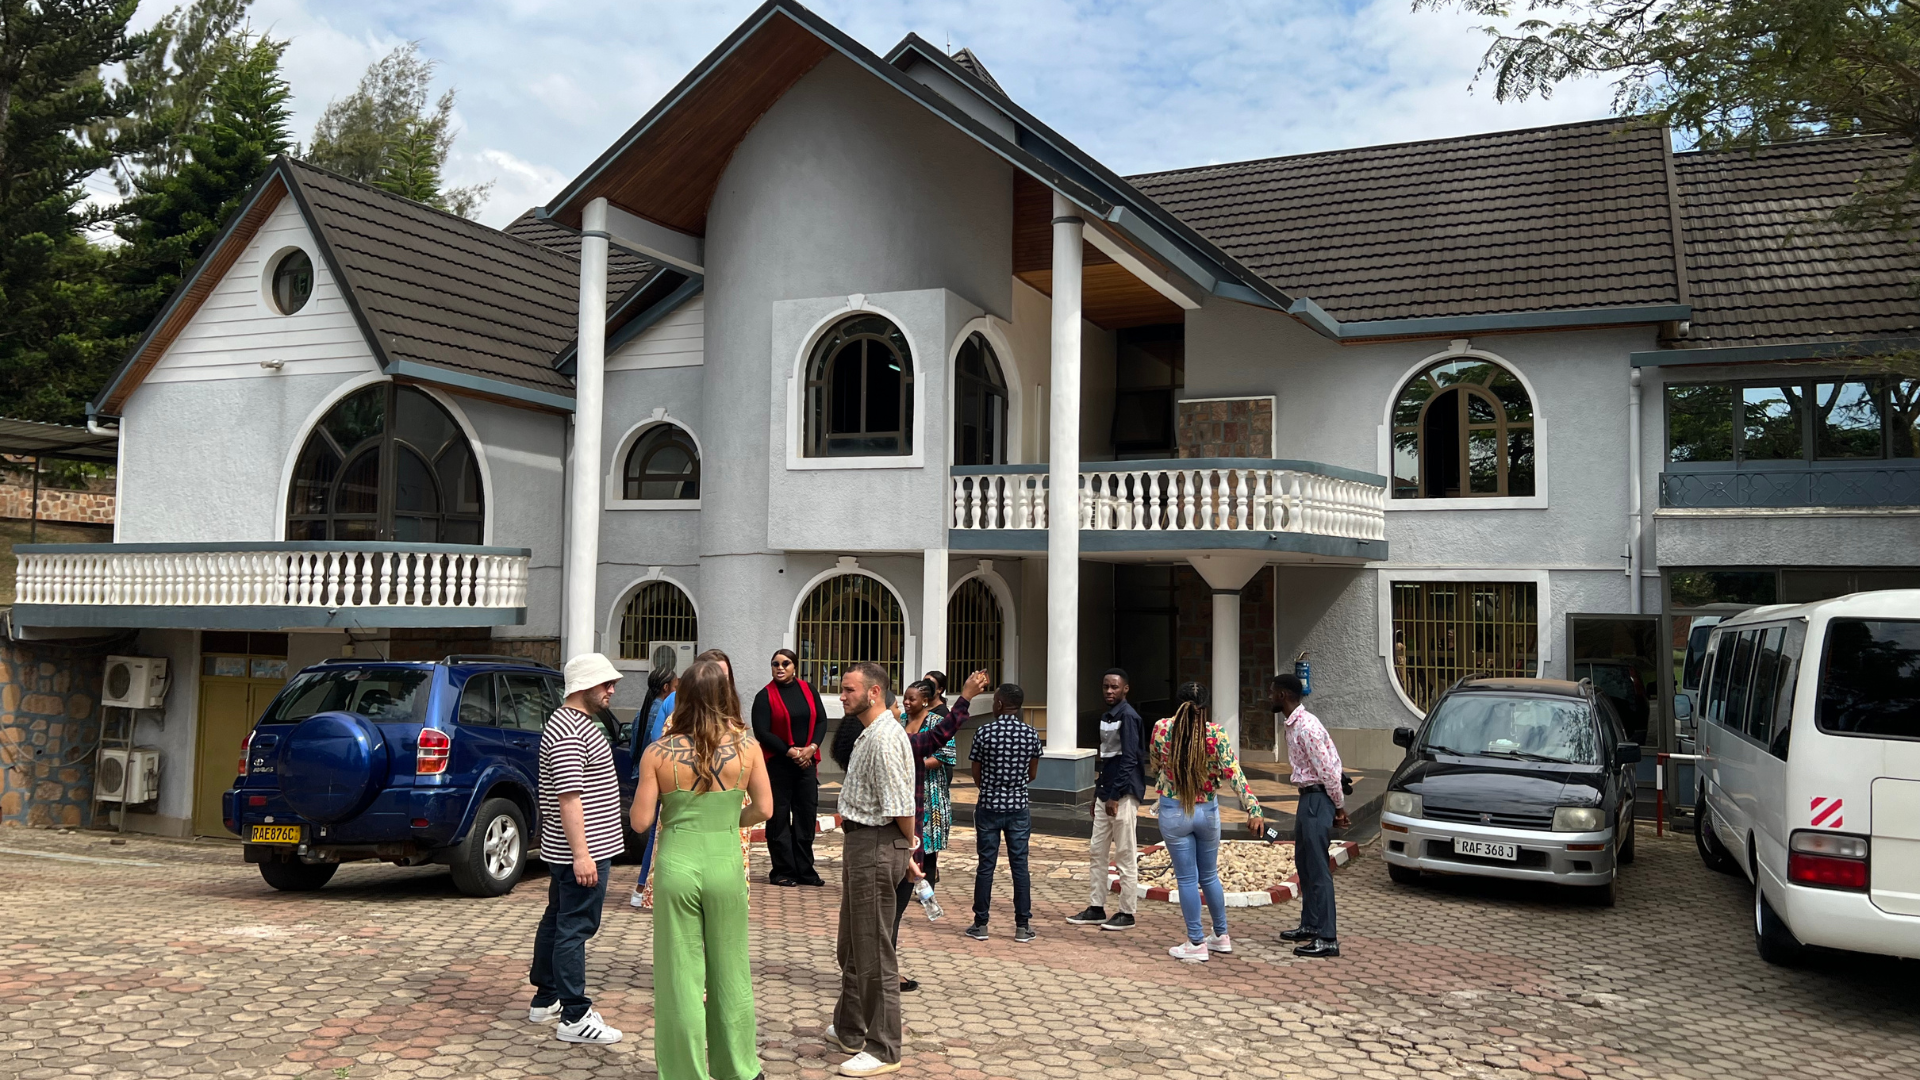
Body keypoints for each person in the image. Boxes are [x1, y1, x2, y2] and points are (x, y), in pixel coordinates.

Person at [629, 659, 773, 1079]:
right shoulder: (747, 748)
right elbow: (764, 808)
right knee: (731, 971)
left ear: (683, 696)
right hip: (725, 861)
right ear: (726, 697)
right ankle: (740, 1070)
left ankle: (685, 1072)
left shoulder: (658, 752)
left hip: (677, 863)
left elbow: (639, 822)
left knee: (680, 979)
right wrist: (731, 822)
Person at [824, 662, 919, 1078]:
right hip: (865, 842)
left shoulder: (883, 738)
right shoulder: (870, 732)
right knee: (852, 943)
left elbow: (901, 806)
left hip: (877, 843)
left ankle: (883, 1047)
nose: (841, 696)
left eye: (848, 690)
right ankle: (849, 1029)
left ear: (874, 692)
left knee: (873, 948)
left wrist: (906, 847)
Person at [528, 653, 628, 1044]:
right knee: (575, 927)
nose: (612, 690)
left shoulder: (573, 723)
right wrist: (583, 854)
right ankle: (574, 1015)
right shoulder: (572, 729)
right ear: (585, 686)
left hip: (570, 849)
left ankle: (546, 998)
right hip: (581, 851)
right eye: (606, 684)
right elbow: (570, 797)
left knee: (558, 919)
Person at [886, 671, 989, 993]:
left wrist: (915, 760)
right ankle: (883, 972)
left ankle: (923, 875)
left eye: (911, 699)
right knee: (891, 904)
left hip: (925, 801)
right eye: (901, 699)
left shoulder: (926, 727)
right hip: (900, 823)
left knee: (922, 853)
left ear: (928, 701)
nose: (905, 704)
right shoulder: (895, 731)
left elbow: (942, 749)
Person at [1150, 681, 1264, 963]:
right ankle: (1221, 936)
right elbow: (1234, 773)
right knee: (1209, 875)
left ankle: (1196, 942)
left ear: (1177, 704)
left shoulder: (1162, 729)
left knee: (1187, 879)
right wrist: (1253, 809)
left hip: (1174, 810)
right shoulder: (1216, 734)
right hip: (1208, 812)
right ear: (1206, 708)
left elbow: (1155, 763)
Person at [1270, 672, 1350, 958]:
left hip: (1319, 798)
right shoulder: (1292, 725)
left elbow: (1329, 770)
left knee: (1318, 869)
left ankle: (1328, 938)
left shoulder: (1307, 727)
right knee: (1304, 863)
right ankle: (1310, 924)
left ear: (1284, 695)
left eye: (1273, 692)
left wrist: (1339, 807)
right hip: (1307, 797)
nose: (1270, 697)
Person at [962, 682, 1041, 944]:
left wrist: (989, 787)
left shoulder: (984, 732)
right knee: (1020, 867)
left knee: (986, 865)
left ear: (998, 704)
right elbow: (1032, 773)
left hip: (988, 806)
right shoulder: (1031, 733)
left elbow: (975, 772)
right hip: (1018, 807)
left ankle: (980, 924)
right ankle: (1022, 926)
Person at [1068, 668, 1146, 931]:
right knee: (1096, 852)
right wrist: (1097, 794)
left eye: (1115, 687)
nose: (1109, 691)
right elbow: (1108, 758)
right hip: (1105, 794)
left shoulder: (1129, 717)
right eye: (1105, 687)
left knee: (1124, 854)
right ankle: (1096, 907)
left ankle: (1127, 912)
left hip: (1122, 797)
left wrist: (1114, 796)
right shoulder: (1106, 717)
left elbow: (1129, 760)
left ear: (1125, 689)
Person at [751, 648, 828, 887]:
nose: (780, 668)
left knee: (806, 816)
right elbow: (762, 731)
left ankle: (805, 870)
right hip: (778, 766)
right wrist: (791, 751)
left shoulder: (808, 690)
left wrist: (811, 748)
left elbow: (822, 720)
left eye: (785, 663)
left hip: (806, 764)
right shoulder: (764, 696)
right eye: (775, 664)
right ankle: (783, 871)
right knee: (779, 819)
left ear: (795, 666)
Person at [628, 666, 678, 911]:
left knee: (650, 832)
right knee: (656, 834)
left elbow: (632, 747)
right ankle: (640, 886)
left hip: (641, 774)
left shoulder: (643, 710)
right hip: (658, 777)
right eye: (675, 682)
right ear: (666, 688)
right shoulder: (665, 709)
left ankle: (642, 887)